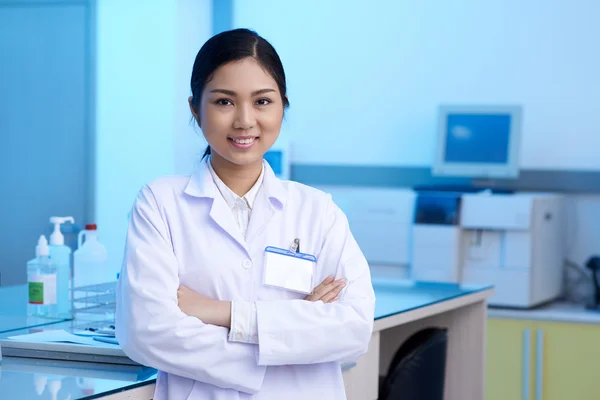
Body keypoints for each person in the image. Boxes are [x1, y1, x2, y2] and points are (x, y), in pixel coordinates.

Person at [115, 28, 376, 400]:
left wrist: (220, 312)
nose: (244, 121)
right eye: (224, 102)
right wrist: (290, 335)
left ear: (283, 106)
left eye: (263, 102)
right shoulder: (159, 203)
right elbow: (147, 331)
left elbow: (352, 329)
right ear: (195, 107)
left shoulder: (318, 210)